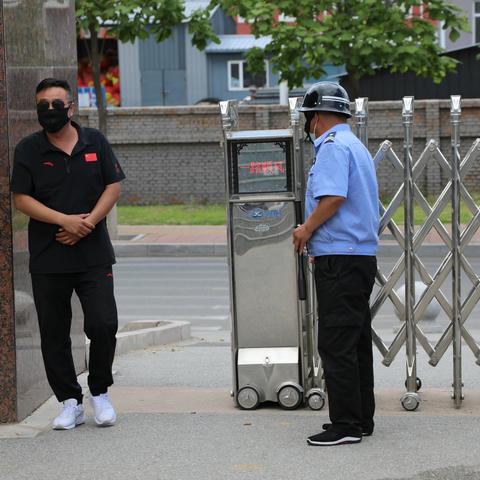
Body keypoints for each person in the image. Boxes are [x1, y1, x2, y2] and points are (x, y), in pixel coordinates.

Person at [10, 78, 126, 430]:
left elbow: (114, 185)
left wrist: (87, 224)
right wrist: (64, 221)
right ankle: (69, 401)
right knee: (54, 333)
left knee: (104, 324)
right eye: (42, 105)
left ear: (71, 108)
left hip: (92, 253)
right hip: (49, 255)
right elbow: (21, 198)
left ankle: (99, 392)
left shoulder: (95, 141)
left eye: (55, 104)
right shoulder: (28, 149)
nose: (49, 111)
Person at [293, 81, 379, 446]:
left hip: (338, 257)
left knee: (336, 342)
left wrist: (305, 229)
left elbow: (332, 198)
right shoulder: (355, 145)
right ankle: (361, 418)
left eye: (308, 117)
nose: (307, 124)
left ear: (316, 118)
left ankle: (344, 425)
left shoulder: (330, 147)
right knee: (355, 339)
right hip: (359, 256)